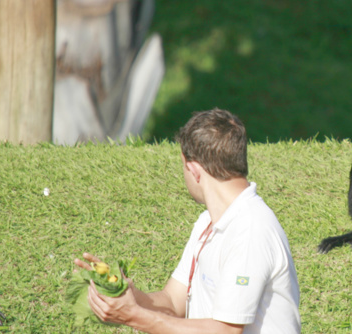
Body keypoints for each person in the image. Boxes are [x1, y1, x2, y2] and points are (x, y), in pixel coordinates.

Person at [74, 108, 301, 334]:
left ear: (194, 170)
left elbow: (225, 331)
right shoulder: (208, 222)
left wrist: (133, 316)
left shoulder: (251, 229)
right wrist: (124, 294)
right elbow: (173, 302)